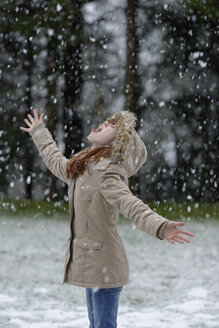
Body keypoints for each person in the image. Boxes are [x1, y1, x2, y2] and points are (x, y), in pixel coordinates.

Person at [20, 109, 195, 328]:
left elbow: (132, 206)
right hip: (93, 262)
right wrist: (39, 132)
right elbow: (56, 161)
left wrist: (160, 226)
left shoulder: (107, 173)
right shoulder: (84, 168)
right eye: (103, 122)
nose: (101, 125)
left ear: (118, 141)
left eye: (109, 126)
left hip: (105, 264)